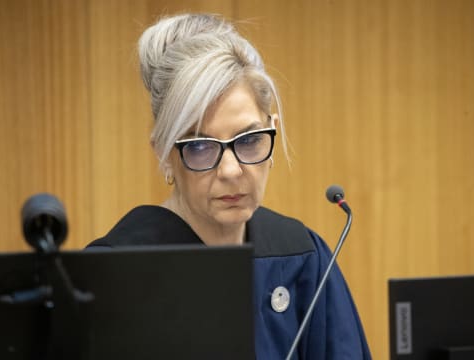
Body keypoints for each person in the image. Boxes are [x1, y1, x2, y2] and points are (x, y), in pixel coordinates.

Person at [86, 13, 371, 360]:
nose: (232, 170)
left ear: (273, 128)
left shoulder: (302, 257)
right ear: (163, 151)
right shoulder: (111, 275)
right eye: (200, 146)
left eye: (249, 139)